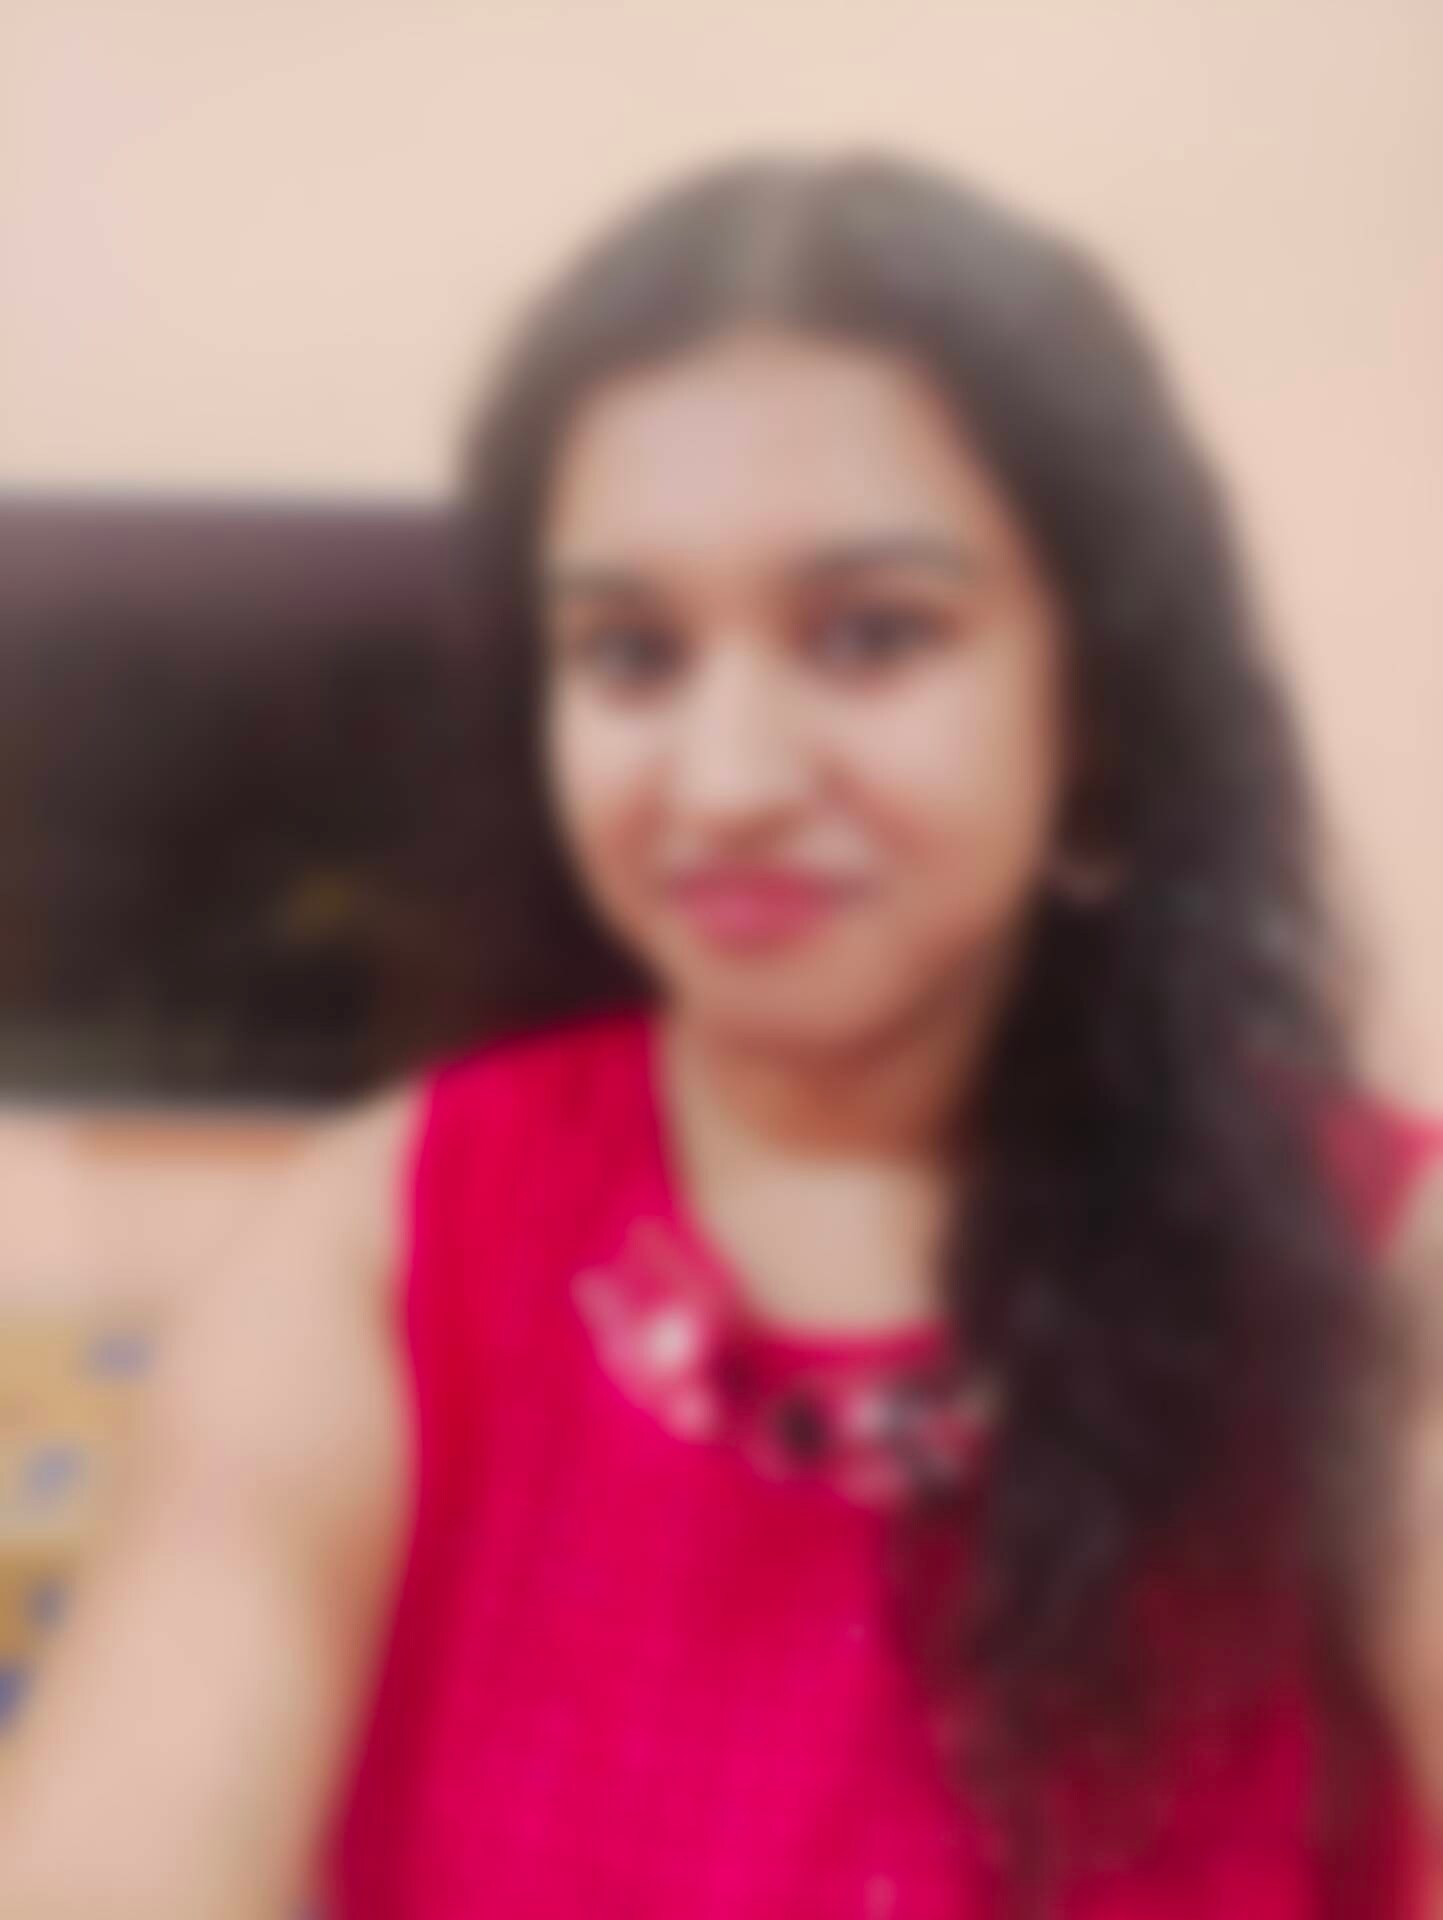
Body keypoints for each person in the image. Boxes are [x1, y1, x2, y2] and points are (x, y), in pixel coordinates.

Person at [0, 152, 1440, 1919]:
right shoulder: (386, 1249)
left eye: (872, 636)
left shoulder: (1382, 1274)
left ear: (1097, 706)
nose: (727, 780)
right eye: (631, 654)